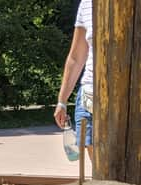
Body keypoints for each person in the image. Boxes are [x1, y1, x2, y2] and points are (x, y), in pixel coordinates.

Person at [54, 0, 94, 164]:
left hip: (129, 97)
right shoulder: (87, 3)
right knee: (100, 168)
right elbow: (76, 57)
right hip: (90, 95)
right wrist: (62, 101)